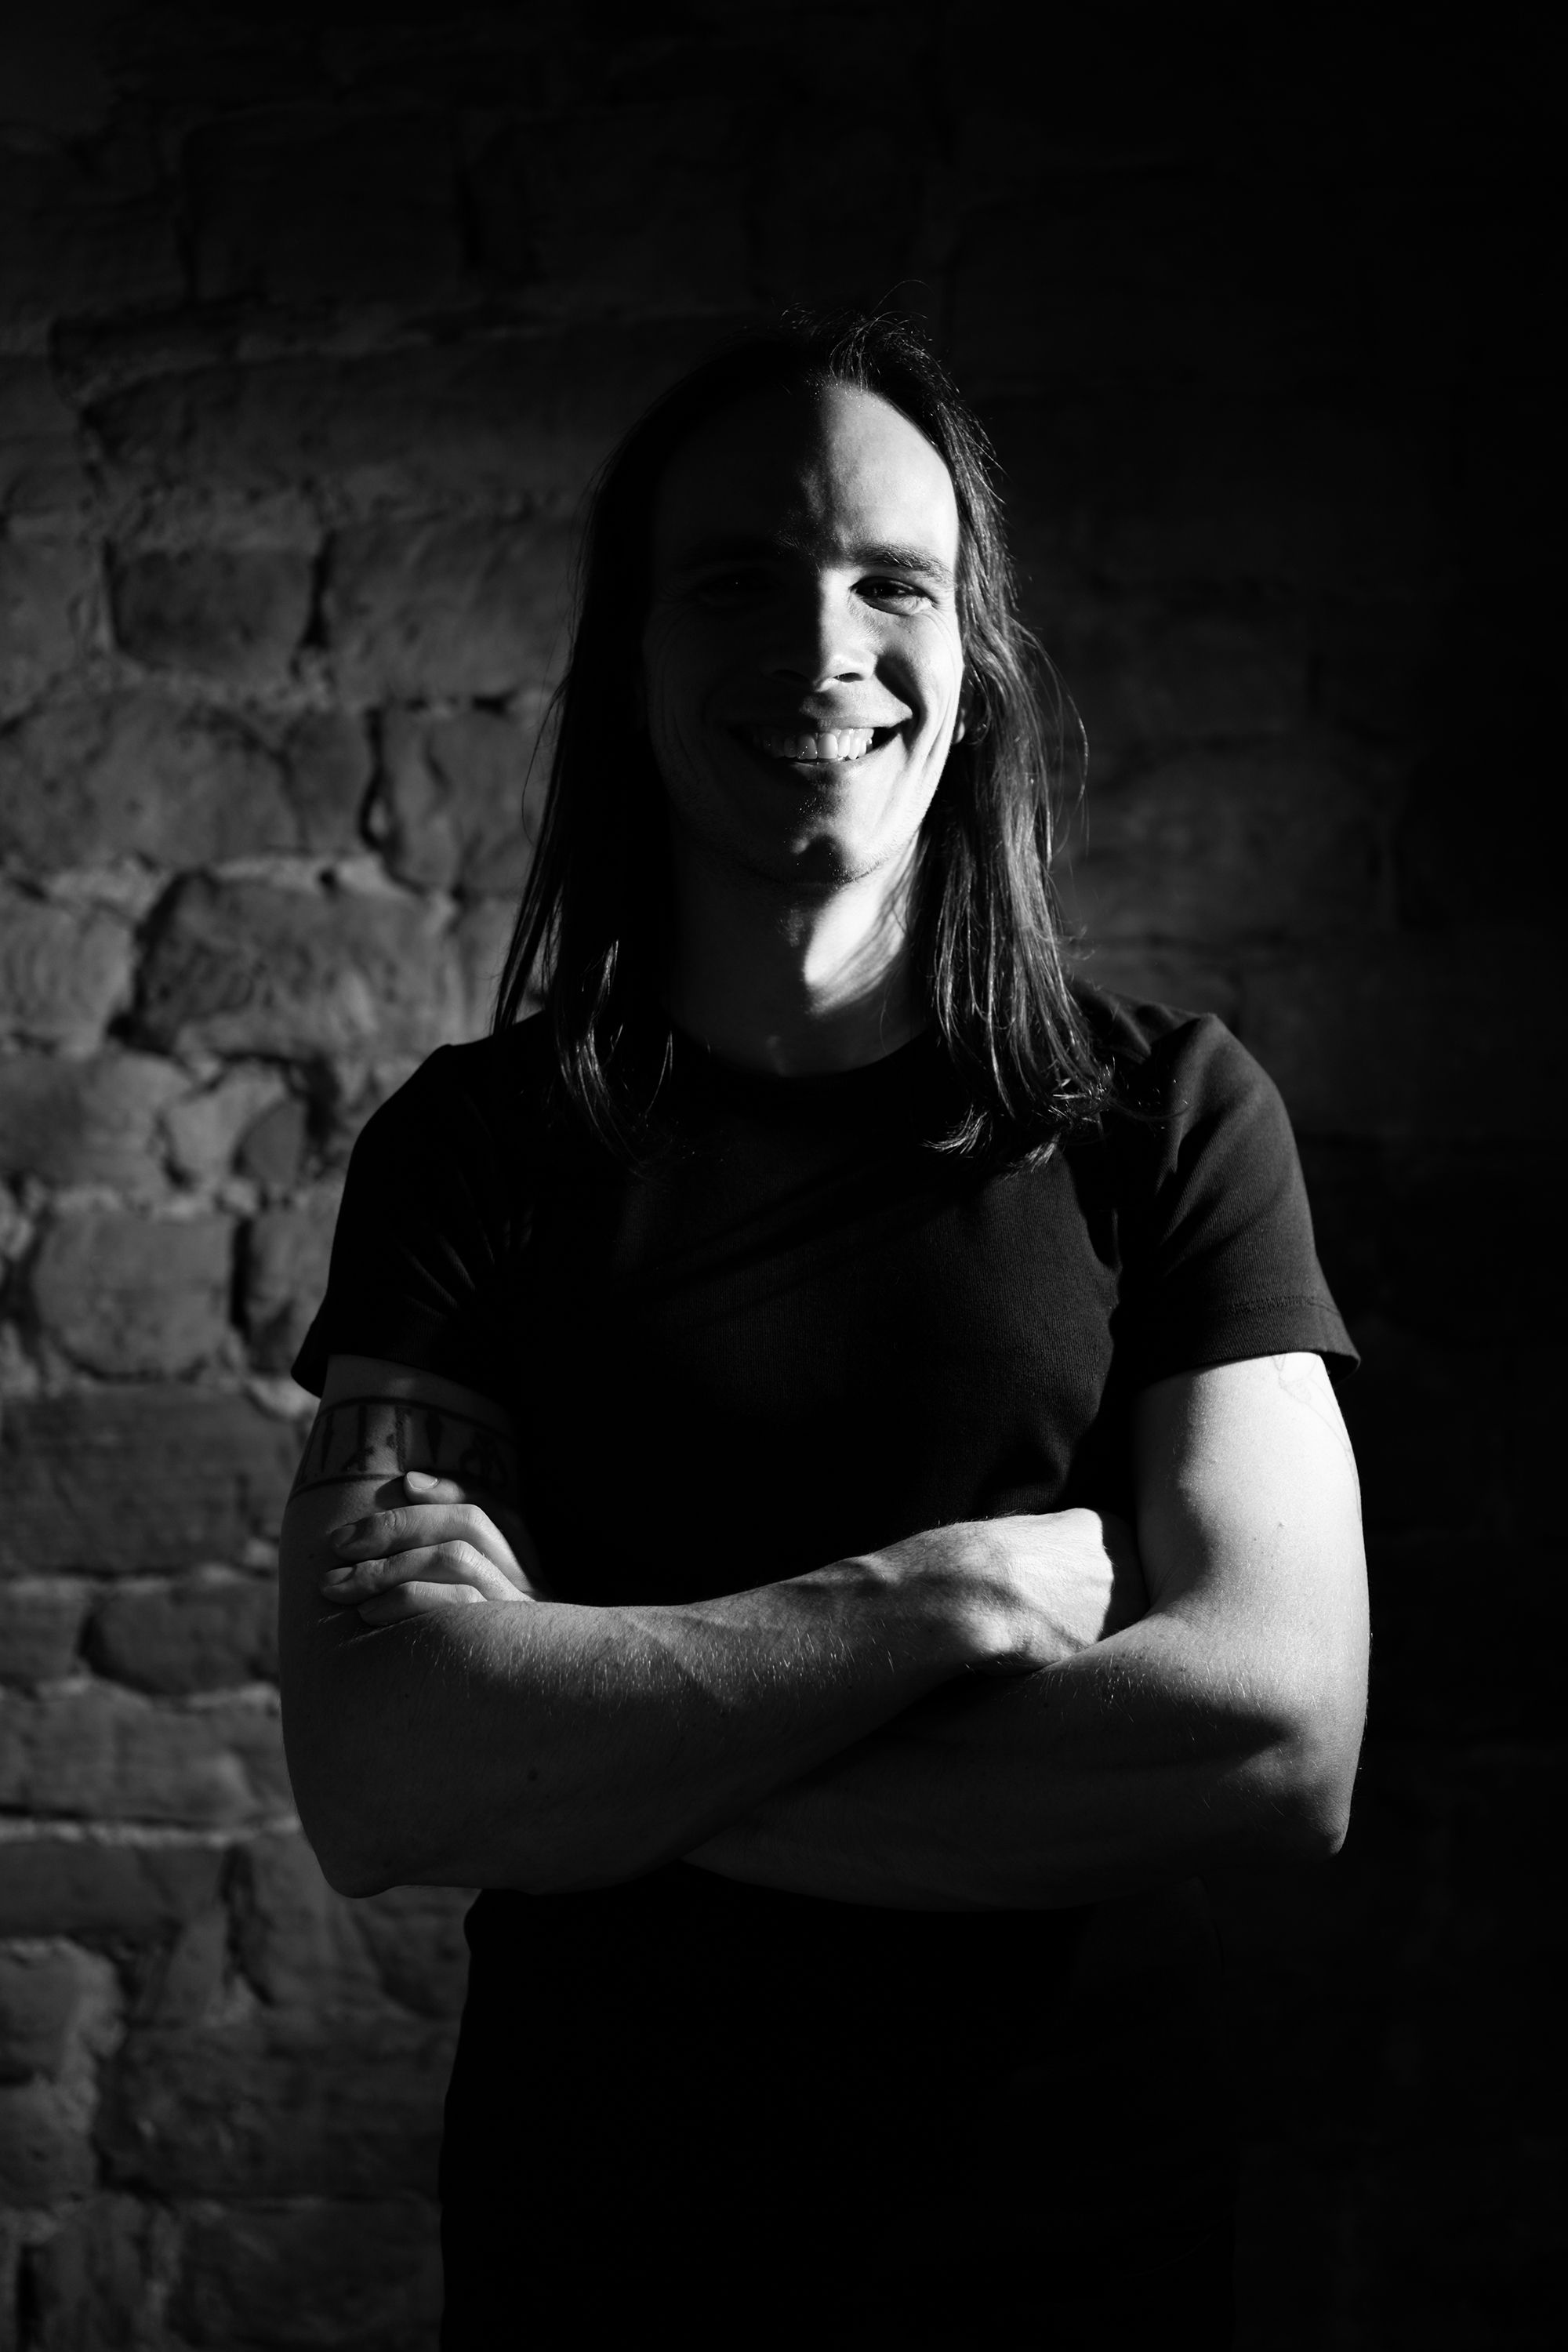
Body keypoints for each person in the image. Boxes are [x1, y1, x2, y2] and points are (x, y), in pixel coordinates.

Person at [279, 312, 1368, 2349]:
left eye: (892, 583)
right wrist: (940, 1602)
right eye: (736, 581)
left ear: (976, 664)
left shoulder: (1171, 1119)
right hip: (609, 2251)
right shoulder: (472, 1156)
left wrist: (590, 1760)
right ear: (632, 661)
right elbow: (378, 1769)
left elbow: (1279, 1736)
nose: (820, 646)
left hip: (1079, 2244)